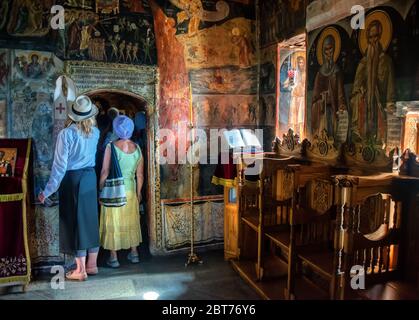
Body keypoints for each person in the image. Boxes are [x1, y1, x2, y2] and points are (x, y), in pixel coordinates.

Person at [38, 95, 100, 281]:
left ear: (73, 115)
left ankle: (80, 270)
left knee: (75, 223)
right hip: (90, 177)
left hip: (73, 180)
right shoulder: (95, 132)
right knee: (89, 220)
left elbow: (59, 167)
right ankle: (92, 265)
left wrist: (47, 191)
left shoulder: (67, 134)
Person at [99, 115, 144, 268]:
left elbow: (105, 171)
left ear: (116, 129)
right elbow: (140, 175)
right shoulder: (137, 148)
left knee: (114, 223)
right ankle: (134, 253)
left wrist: (100, 189)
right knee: (131, 222)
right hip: (131, 191)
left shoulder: (111, 147)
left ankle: (113, 257)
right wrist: (138, 193)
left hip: (114, 191)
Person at [350, 19, 395, 144]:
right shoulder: (363, 63)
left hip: (379, 107)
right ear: (367, 39)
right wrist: (360, 92)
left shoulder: (386, 61)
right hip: (364, 110)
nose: (373, 40)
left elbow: (391, 87)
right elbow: (355, 91)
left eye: (376, 36)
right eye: (370, 37)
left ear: (380, 36)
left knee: (379, 142)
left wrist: (390, 104)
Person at [311, 33, 346, 139]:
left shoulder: (336, 71)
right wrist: (321, 100)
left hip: (334, 110)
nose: (328, 53)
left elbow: (340, 94)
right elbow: (314, 99)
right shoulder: (320, 73)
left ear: (334, 49)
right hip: (322, 113)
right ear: (323, 51)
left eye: (331, 49)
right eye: (326, 49)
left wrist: (341, 105)